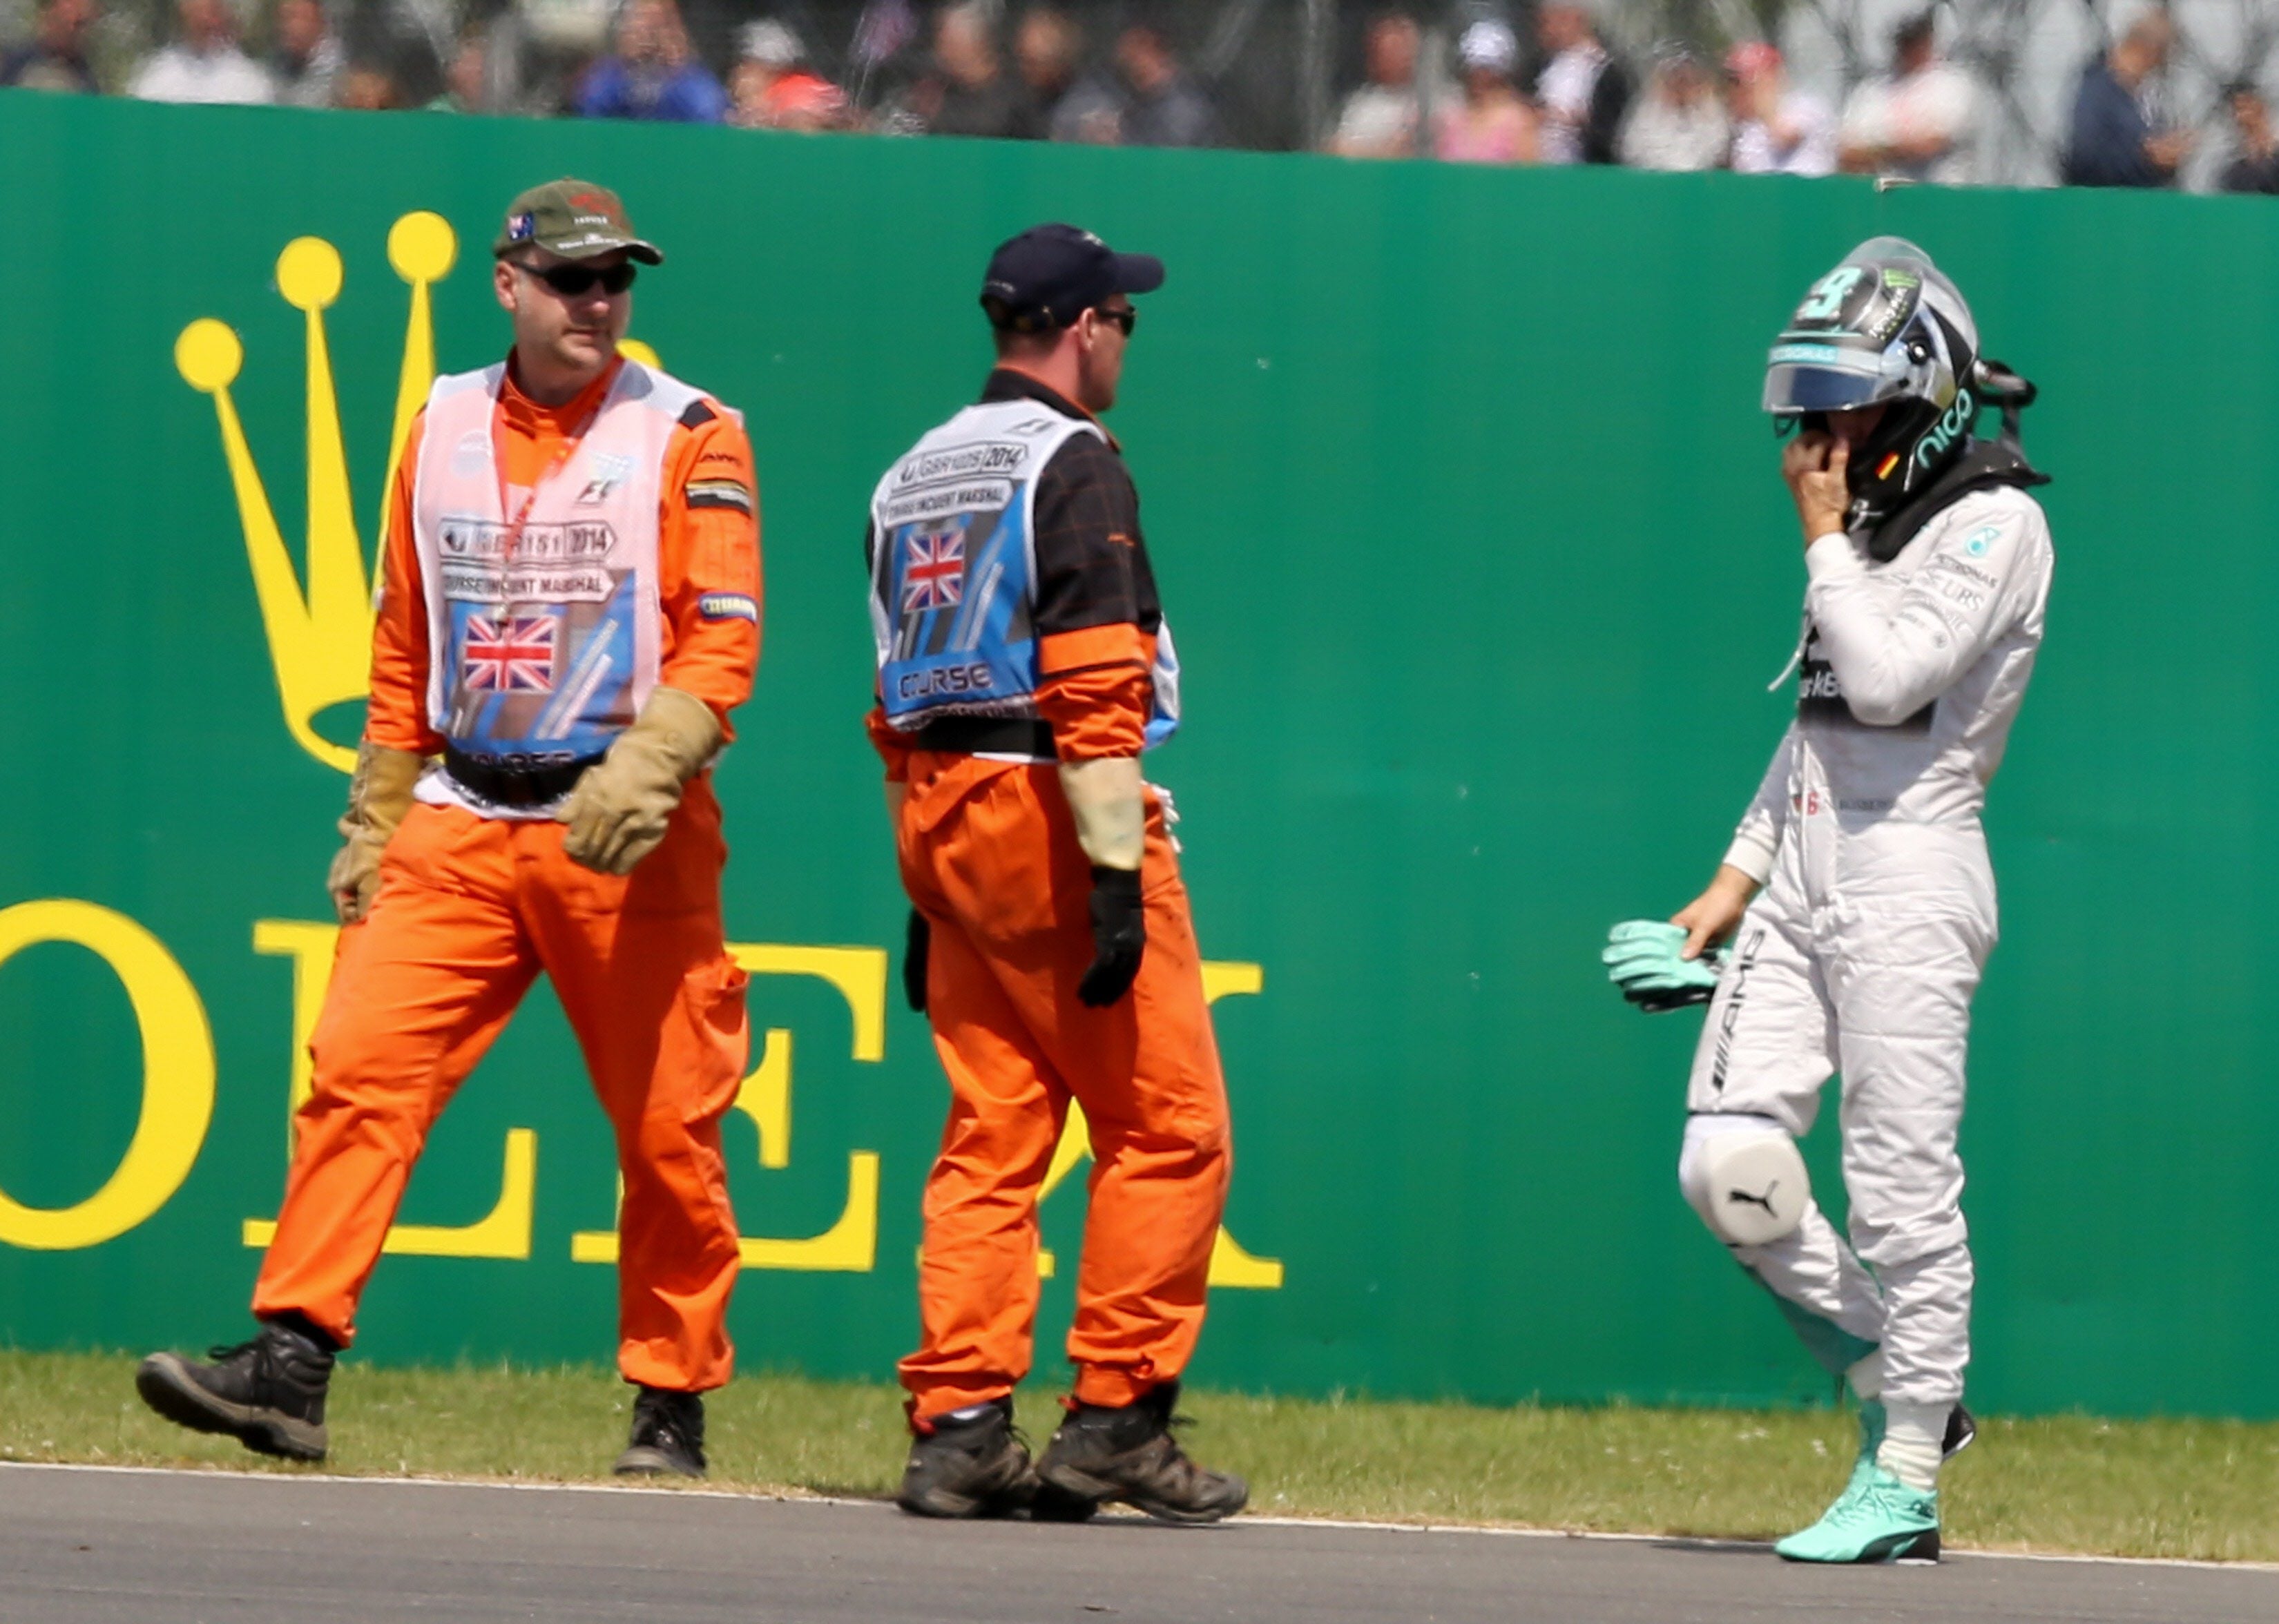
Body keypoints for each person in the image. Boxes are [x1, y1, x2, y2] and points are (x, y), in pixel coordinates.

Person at [135, 179, 763, 1482]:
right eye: (574, 280)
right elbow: (404, 632)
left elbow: (727, 630)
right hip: (462, 813)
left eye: (617, 280)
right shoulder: (440, 419)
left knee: (667, 1128)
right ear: (509, 285)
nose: (599, 302)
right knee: (357, 1071)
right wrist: (375, 808)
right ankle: (290, 1365)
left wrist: (651, 762)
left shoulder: (692, 431)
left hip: (625, 828)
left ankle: (669, 1405)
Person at [1653, 238, 2053, 1563]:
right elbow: (1821, 728)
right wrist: (1730, 879)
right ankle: (1907, 1379)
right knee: (1728, 1163)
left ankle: (1905, 1478)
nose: (1820, 440)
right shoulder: (1871, 523)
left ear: (1923, 393)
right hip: (1813, 861)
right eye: (1809, 416)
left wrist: (1823, 539)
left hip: (1913, 873)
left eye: (1844, 411)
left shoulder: (1997, 519)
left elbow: (1885, 683)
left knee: (1897, 1196)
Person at [868, 223, 1244, 1525]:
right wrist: (1114, 869)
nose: (1129, 338)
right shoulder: (1074, 461)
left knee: (992, 1134)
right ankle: (1117, 1419)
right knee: (1169, 1126)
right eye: (1124, 319)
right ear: (1084, 327)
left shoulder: (913, 468)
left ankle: (960, 1428)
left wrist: (925, 886)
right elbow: (1096, 686)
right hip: (1049, 807)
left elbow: (896, 689)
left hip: (939, 810)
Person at [1838, 11, 1978, 185]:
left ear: (1929, 42)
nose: (1909, 48)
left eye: (1916, 41)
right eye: (1904, 41)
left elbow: (1929, 145)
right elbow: (1847, 153)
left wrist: (1876, 149)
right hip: (1884, 196)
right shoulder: (1873, 90)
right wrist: (1899, 147)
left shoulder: (1951, 85)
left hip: (1939, 195)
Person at [2063, 10, 2191, 188]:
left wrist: (2162, 161)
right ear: (2149, 53)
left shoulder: (2140, 99)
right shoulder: (2097, 91)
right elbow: (2085, 154)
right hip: (2103, 203)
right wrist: (2147, 158)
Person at [576, 0, 727, 123]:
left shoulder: (693, 80)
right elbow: (592, 109)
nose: (647, 32)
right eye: (639, 19)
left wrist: (676, 69)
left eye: (656, 24)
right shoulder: (609, 73)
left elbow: (707, 114)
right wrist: (625, 68)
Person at [1533, 1, 1630, 165]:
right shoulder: (1541, 66)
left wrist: (1573, 121)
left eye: (1554, 21)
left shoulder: (1606, 71)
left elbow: (1611, 132)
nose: (1549, 30)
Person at [127, 0, 273, 104]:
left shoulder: (249, 80)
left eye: (211, 12)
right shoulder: (158, 75)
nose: (204, 20)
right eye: (197, 13)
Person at [1726, 41, 1835, 177]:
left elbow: (1786, 139)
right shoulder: (1749, 128)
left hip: (1808, 192)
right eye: (1737, 82)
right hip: (1765, 194)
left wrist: (1764, 104)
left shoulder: (1806, 106)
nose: (1745, 89)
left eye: (1753, 79)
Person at [921, 1, 1029, 139]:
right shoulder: (939, 89)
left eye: (949, 45)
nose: (941, 54)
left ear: (977, 45)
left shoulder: (1012, 100)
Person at [1435, 19, 1536, 164]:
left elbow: (1529, 173)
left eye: (1488, 69)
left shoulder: (1519, 120)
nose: (1480, 76)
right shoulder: (1449, 116)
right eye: (1474, 69)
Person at [1617, 42, 1729, 172]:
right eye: (1676, 79)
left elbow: (1718, 151)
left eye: (1687, 81)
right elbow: (1632, 152)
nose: (1680, 87)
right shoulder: (1648, 113)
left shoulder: (1711, 113)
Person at [1017, 6, 1122, 143]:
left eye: (1032, 63)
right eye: (1021, 60)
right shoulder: (1027, 103)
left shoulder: (1085, 112)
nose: (1024, 70)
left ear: (1058, 63)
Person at [1329, 9, 1423, 159]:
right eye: (1387, 51)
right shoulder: (1363, 107)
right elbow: (1338, 150)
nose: (1394, 57)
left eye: (1399, 49)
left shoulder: (1437, 102)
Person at [728, 19, 847, 132]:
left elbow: (807, 135)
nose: (741, 72)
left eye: (749, 64)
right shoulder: (753, 99)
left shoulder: (799, 90)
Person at [1114, 23, 1219, 148]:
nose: (1133, 68)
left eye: (1137, 56)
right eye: (1126, 64)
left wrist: (1119, 141)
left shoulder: (1185, 104)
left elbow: (1166, 156)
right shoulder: (1140, 104)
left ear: (1160, 54)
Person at [1, 0, 99, 92]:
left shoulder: (86, 83)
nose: (70, 30)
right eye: (64, 20)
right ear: (48, 16)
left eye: (79, 24)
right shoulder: (13, 64)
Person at [270, 0, 342, 108]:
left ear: (319, 21)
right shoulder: (276, 67)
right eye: (284, 19)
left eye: (295, 17)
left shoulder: (340, 69)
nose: (287, 27)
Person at [2218, 81, 2279, 195]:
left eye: (2246, 108)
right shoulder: (2234, 171)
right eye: (2237, 110)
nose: (2241, 117)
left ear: (2262, 109)